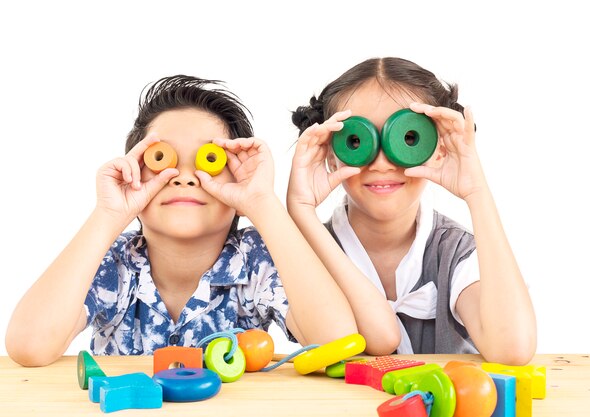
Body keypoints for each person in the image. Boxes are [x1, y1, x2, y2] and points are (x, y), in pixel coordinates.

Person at [6, 75, 357, 366]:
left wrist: (263, 203)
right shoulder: (113, 263)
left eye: (209, 160)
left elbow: (336, 344)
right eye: (163, 160)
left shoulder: (256, 260)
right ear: (134, 176)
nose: (185, 177)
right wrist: (108, 214)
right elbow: (29, 347)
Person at [287, 57, 536, 364]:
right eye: (357, 140)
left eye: (406, 139)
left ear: (439, 147)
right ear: (330, 154)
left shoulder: (455, 253)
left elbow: (512, 349)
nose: (381, 163)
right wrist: (302, 211)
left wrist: (476, 191)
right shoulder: (297, 258)